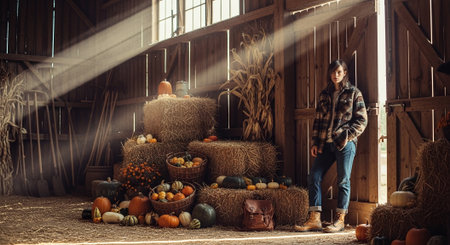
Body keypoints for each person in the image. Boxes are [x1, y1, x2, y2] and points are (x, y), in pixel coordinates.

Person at [294, 59, 368, 233]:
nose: (336, 75)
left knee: (343, 180)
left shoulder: (353, 93)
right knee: (314, 176)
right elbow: (318, 121)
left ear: (345, 73)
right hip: (325, 144)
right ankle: (315, 219)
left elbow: (362, 120)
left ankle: (340, 220)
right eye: (333, 72)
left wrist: (346, 136)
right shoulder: (324, 94)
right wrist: (315, 142)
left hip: (344, 144)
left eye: (339, 72)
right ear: (330, 73)